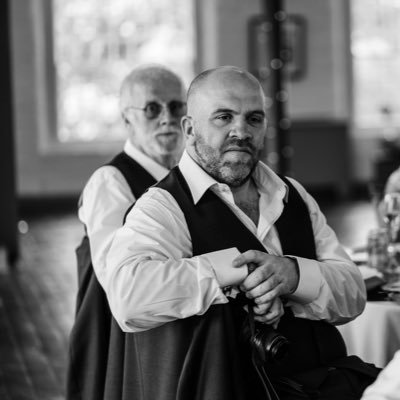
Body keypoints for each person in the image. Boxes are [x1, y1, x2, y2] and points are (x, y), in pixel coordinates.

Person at [105, 66, 380, 399]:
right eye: (223, 117)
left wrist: (293, 275)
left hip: (321, 383)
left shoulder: (292, 194)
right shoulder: (162, 207)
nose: (242, 131)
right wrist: (238, 272)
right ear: (190, 129)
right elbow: (127, 297)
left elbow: (353, 293)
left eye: (254, 119)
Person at [65, 65, 187, 400]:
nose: (167, 118)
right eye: (152, 108)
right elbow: (117, 279)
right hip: (120, 333)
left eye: (176, 107)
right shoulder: (111, 181)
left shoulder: (184, 177)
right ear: (127, 119)